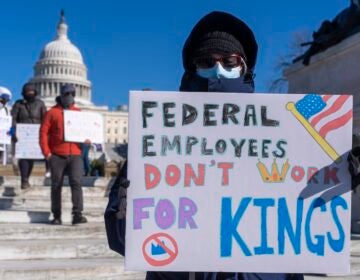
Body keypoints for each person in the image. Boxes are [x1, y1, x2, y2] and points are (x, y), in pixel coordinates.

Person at [105, 11, 304, 280]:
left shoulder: (282, 134)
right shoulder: (161, 136)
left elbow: (302, 220)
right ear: (192, 68)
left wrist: (336, 177)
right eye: (206, 61)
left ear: (244, 67)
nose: (218, 67)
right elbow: (123, 241)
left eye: (229, 61)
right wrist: (126, 204)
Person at [40, 84, 87, 225]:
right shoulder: (52, 112)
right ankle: (56, 215)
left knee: (76, 183)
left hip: (75, 154)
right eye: (67, 94)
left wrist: (88, 139)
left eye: (72, 93)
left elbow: (85, 132)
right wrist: (46, 153)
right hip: (57, 155)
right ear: (61, 95)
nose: (69, 96)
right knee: (56, 185)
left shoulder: (78, 113)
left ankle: (77, 214)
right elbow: (43, 133)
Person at [11, 83, 47, 189]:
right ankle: (24, 180)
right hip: (21, 135)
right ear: (24, 93)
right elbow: (13, 118)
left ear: (35, 93)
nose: (30, 94)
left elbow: (44, 119)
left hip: (35, 135)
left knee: (30, 158)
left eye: (31, 92)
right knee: (24, 157)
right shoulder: (18, 104)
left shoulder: (40, 104)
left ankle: (26, 177)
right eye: (28, 92)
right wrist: (14, 132)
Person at [0, 86, 12, 165]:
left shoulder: (7, 109)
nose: (6, 101)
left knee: (2, 150)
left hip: (3, 133)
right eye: (4, 99)